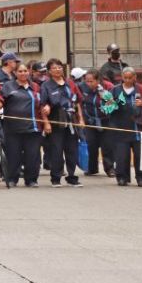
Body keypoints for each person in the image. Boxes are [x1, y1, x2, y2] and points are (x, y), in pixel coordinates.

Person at [0, 62, 50, 188]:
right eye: (20, 71)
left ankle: (31, 179)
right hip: (13, 128)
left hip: (33, 127)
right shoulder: (8, 86)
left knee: (32, 156)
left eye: (25, 71)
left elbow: (43, 104)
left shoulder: (36, 87)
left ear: (29, 72)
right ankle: (12, 179)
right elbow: (0, 101)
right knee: (13, 155)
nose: (23, 73)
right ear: (15, 73)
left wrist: (47, 110)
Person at [40, 59, 84, 188]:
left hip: (71, 119)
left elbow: (77, 103)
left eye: (59, 67)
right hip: (55, 118)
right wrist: (46, 123)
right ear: (49, 71)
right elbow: (43, 105)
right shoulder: (46, 85)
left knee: (72, 150)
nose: (58, 70)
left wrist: (81, 119)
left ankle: (72, 177)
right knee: (56, 150)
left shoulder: (70, 83)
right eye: (54, 68)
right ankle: (56, 177)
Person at [105, 68, 142, 187]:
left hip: (139, 128)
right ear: (122, 77)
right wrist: (111, 105)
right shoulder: (114, 90)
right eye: (126, 78)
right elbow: (106, 108)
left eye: (131, 78)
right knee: (121, 155)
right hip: (120, 127)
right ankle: (122, 177)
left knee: (140, 155)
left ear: (135, 77)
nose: (128, 80)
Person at [79, 69, 114, 177]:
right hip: (90, 121)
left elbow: (112, 105)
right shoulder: (81, 87)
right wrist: (81, 119)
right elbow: (79, 103)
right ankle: (92, 168)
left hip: (106, 120)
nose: (88, 84)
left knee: (107, 146)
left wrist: (103, 94)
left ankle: (110, 169)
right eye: (87, 81)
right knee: (91, 145)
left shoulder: (108, 86)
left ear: (98, 80)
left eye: (91, 81)